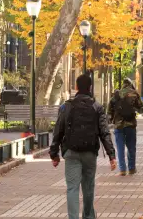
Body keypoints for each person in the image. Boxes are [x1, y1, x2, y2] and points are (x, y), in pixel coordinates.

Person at [50, 74, 117, 219]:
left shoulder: (67, 106)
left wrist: (54, 154)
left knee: (72, 188)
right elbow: (104, 132)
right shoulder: (97, 107)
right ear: (90, 87)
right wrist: (111, 155)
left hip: (71, 152)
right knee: (88, 188)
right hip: (90, 153)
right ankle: (88, 216)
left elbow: (58, 130)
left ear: (76, 87)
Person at [108, 78, 143, 175]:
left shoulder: (116, 94)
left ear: (123, 84)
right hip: (131, 124)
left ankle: (122, 169)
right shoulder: (134, 93)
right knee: (131, 147)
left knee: (120, 147)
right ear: (131, 84)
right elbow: (141, 106)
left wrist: (111, 119)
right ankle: (132, 168)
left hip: (118, 125)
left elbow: (109, 109)